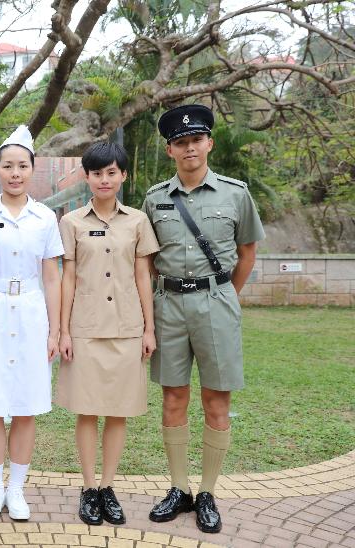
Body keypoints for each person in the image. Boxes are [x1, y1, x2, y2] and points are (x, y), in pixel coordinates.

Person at [142, 104, 264, 534]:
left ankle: (208, 492)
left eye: (196, 140)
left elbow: (247, 252)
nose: (189, 147)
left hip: (216, 302)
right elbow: (150, 258)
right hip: (169, 306)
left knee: (217, 401)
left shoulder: (235, 193)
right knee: (173, 398)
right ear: (169, 150)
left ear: (209, 143)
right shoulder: (156, 198)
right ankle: (179, 488)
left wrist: (225, 293)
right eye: (180, 142)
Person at [0, 125, 63, 521]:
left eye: (22, 166)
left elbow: (52, 276)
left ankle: (16, 490)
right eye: (8, 166)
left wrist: (55, 330)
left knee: (24, 407)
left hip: (33, 313)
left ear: (32, 169)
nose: (15, 173)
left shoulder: (45, 217)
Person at [57, 142, 160, 525]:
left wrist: (149, 329)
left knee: (118, 413)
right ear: (86, 177)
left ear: (123, 176)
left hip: (127, 329)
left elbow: (142, 276)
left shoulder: (137, 221)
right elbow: (67, 278)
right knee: (86, 411)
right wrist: (64, 331)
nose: (104, 179)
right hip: (84, 329)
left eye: (111, 172)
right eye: (97, 173)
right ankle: (87, 488)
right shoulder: (71, 223)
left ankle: (108, 487)